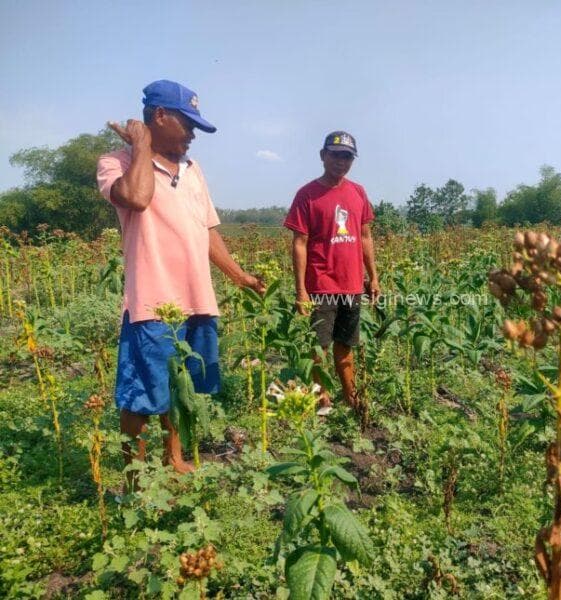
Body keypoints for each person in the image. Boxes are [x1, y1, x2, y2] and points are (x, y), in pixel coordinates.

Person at [97, 80, 264, 477]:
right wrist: (140, 146)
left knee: (181, 387)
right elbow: (136, 198)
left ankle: (173, 459)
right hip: (152, 304)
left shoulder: (193, 170)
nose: (192, 136)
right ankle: (134, 480)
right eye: (186, 125)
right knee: (141, 395)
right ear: (159, 117)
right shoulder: (116, 162)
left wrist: (239, 275)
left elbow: (206, 229)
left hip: (197, 300)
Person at [284, 131, 379, 414]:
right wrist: (301, 289)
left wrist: (373, 276)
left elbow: (365, 237)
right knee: (319, 347)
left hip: (351, 285)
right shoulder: (307, 195)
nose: (341, 161)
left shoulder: (358, 192)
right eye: (336, 155)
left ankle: (351, 397)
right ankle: (321, 399)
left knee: (346, 344)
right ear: (323, 156)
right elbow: (299, 244)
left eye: (347, 156)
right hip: (321, 284)